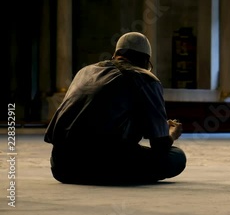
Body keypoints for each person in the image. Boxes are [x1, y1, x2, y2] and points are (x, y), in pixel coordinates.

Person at [44, 32, 186, 185]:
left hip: (62, 167)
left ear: (115, 54)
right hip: (107, 167)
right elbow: (159, 145)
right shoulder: (145, 77)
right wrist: (171, 133)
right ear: (146, 61)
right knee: (176, 156)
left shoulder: (84, 72)